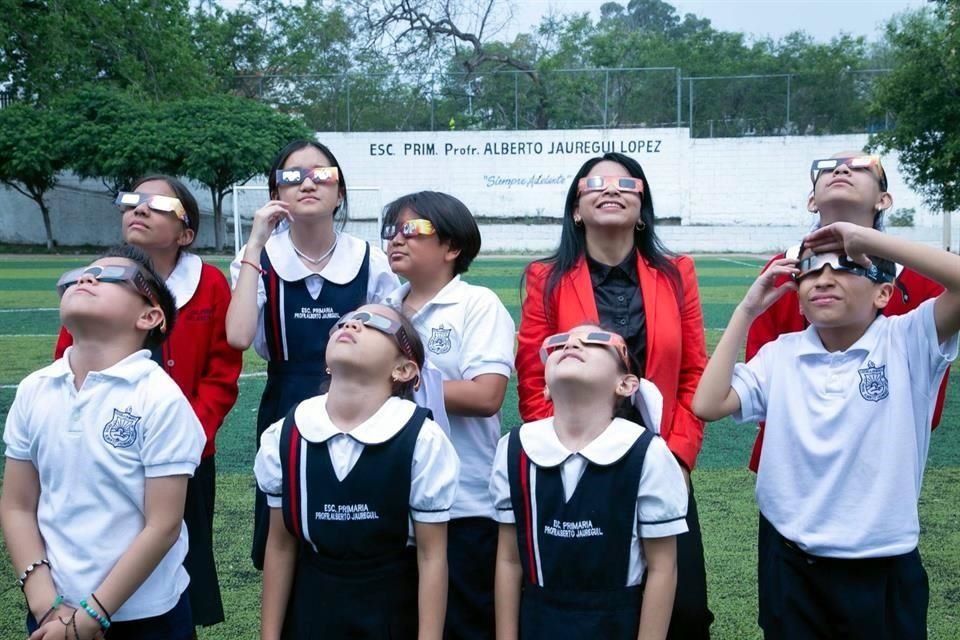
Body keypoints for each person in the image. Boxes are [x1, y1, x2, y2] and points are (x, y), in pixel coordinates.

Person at [692, 222, 960, 639]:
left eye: (847, 267)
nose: (824, 279)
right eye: (811, 272)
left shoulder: (908, 340)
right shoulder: (780, 354)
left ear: (884, 294)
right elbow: (707, 404)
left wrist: (867, 239)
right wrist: (747, 309)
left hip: (880, 565)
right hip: (791, 564)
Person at [515, 153, 712, 638]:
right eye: (595, 183)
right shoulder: (547, 277)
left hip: (657, 456)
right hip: (573, 462)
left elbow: (694, 373)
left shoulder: (676, 273)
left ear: (641, 207)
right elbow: (533, 379)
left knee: (683, 608)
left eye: (627, 183)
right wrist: (564, 457)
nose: (611, 189)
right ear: (576, 208)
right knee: (583, 598)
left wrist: (679, 457)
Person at [53, 174, 242, 628]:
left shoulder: (210, 283)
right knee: (103, 542)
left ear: (186, 233)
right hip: (102, 449)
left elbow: (222, 371)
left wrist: (191, 435)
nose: (139, 210)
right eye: (133, 201)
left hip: (186, 455)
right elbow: (69, 354)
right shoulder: (96, 284)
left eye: (157, 206)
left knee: (177, 554)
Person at [1, 245, 205, 640]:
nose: (86, 278)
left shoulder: (160, 398)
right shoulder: (34, 389)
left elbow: (162, 525)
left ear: (150, 316)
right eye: (80, 273)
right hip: (54, 612)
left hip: (146, 617)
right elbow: (17, 505)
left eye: (112, 276)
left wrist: (91, 616)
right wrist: (45, 604)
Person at [227, 139, 399, 569]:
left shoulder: (370, 260)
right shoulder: (258, 259)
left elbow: (393, 340)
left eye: (322, 175)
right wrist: (254, 246)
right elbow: (238, 336)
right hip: (285, 401)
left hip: (362, 403)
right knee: (284, 528)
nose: (307, 183)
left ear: (339, 192)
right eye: (291, 176)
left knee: (354, 521)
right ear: (275, 195)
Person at [255, 304, 459, 640]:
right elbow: (280, 546)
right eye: (344, 322)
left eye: (374, 322)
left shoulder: (422, 440)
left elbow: (432, 555)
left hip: (392, 612)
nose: (352, 323)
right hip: (310, 611)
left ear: (404, 368)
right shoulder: (285, 435)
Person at [744, 152, 948, 473]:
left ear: (884, 199)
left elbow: (927, 394)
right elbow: (759, 374)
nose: (841, 169)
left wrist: (867, 240)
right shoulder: (781, 272)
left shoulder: (921, 276)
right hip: (793, 457)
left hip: (881, 459)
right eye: (827, 168)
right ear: (812, 201)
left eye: (863, 166)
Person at [491, 325, 688, 640]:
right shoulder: (514, 449)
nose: (571, 343)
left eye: (595, 341)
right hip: (538, 621)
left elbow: (663, 569)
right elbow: (509, 559)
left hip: (618, 622)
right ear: (545, 387)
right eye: (558, 343)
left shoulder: (647, 453)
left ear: (625, 383)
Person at [380, 191, 515, 639]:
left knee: (463, 624)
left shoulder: (478, 305)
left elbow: (486, 394)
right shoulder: (381, 308)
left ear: (452, 247)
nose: (395, 239)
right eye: (390, 230)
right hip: (389, 501)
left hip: (464, 502)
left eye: (412, 230)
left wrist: (388, 385)